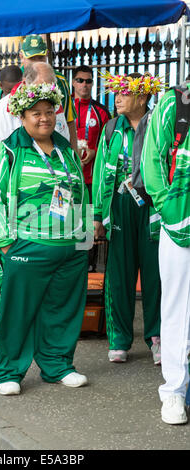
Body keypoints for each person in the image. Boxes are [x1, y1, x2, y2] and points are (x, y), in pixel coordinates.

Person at [0, 82, 90, 396]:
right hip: (26, 246)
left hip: (68, 248)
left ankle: (58, 366)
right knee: (18, 312)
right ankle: (7, 371)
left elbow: (77, 191)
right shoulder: (10, 150)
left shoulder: (65, 149)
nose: (45, 119)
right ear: (21, 117)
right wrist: (4, 243)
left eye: (49, 112)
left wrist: (82, 239)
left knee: (63, 311)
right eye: (36, 114)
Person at [92, 71, 164, 364]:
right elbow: (99, 174)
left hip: (153, 206)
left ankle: (157, 337)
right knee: (119, 275)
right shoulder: (111, 129)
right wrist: (97, 215)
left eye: (124, 92)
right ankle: (119, 338)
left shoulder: (160, 126)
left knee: (155, 275)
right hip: (120, 203)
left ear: (143, 96)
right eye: (116, 91)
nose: (117, 97)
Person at [141, 80, 190, 425]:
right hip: (180, 223)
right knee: (177, 308)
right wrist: (173, 214)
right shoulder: (175, 104)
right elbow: (152, 162)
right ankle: (174, 390)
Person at [0, 62, 69, 175]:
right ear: (24, 84)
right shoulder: (0, 111)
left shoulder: (56, 107)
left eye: (51, 88)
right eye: (41, 89)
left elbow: (65, 145)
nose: (47, 95)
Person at [72, 65, 110, 271]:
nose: (84, 84)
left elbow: (109, 144)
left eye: (88, 81)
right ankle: (69, 270)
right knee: (68, 225)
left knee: (88, 230)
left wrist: (94, 152)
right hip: (68, 180)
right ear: (73, 82)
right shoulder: (62, 108)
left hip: (90, 180)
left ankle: (89, 270)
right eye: (80, 80)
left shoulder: (101, 111)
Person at [19, 34, 78, 151]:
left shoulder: (60, 81)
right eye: (32, 58)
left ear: (46, 55)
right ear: (21, 57)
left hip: (57, 148)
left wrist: (75, 156)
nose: (36, 62)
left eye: (40, 58)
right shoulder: (14, 79)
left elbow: (70, 120)